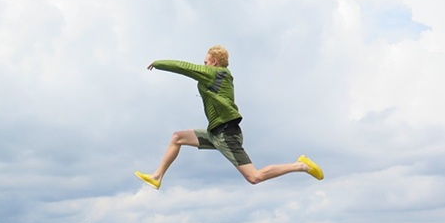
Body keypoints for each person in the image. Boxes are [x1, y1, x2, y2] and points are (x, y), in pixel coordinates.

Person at [135, 45, 323, 190]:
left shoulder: (217, 74)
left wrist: (158, 63)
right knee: (178, 137)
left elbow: (185, 67)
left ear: (215, 62)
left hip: (227, 134)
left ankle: (301, 166)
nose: (204, 65)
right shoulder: (216, 75)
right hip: (215, 133)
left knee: (254, 177)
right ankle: (157, 177)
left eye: (206, 62)